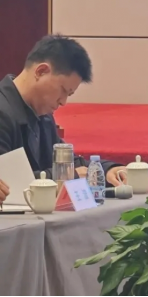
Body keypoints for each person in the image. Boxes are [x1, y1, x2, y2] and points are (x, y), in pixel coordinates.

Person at [0, 34, 126, 189]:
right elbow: (9, 183)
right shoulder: (3, 113)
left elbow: (68, 162)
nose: (63, 102)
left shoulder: (44, 116)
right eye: (63, 90)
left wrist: (106, 170)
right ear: (41, 71)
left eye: (69, 95)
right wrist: (66, 176)